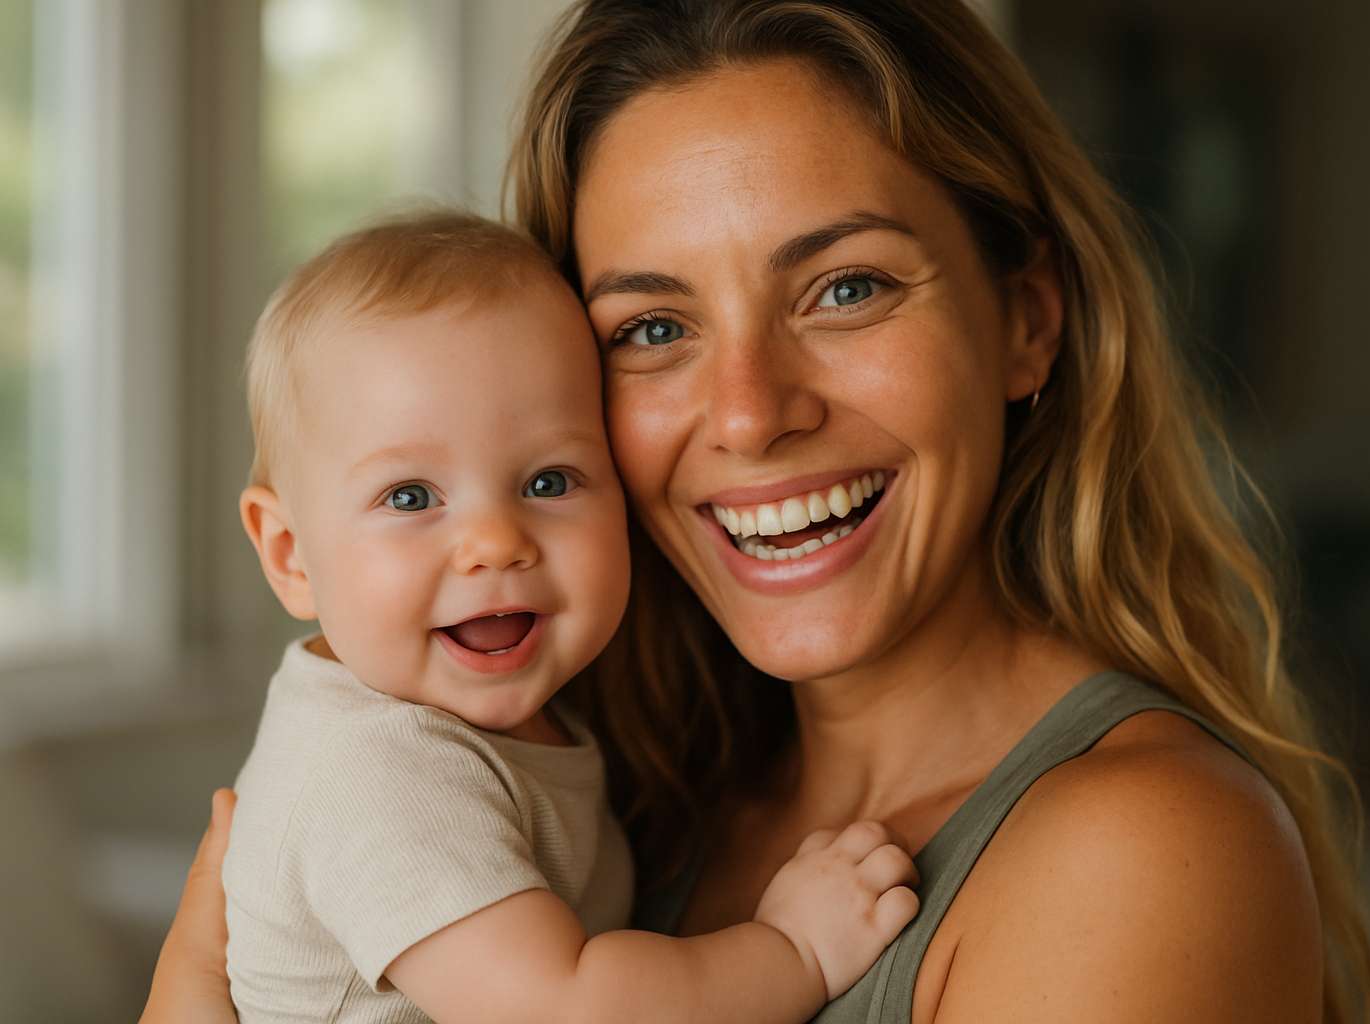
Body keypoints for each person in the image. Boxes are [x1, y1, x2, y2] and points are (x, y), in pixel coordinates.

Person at [141, 1, 1370, 1021]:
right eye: (655, 329)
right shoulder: (618, 797)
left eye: (845, 287)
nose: (747, 412)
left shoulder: (1143, 853)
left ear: (1026, 320)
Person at [219, 212, 918, 1024]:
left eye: (549, 482)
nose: (493, 544)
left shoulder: (504, 724)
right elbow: (566, 1008)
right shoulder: (375, 771)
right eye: (410, 497)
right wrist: (793, 952)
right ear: (291, 555)